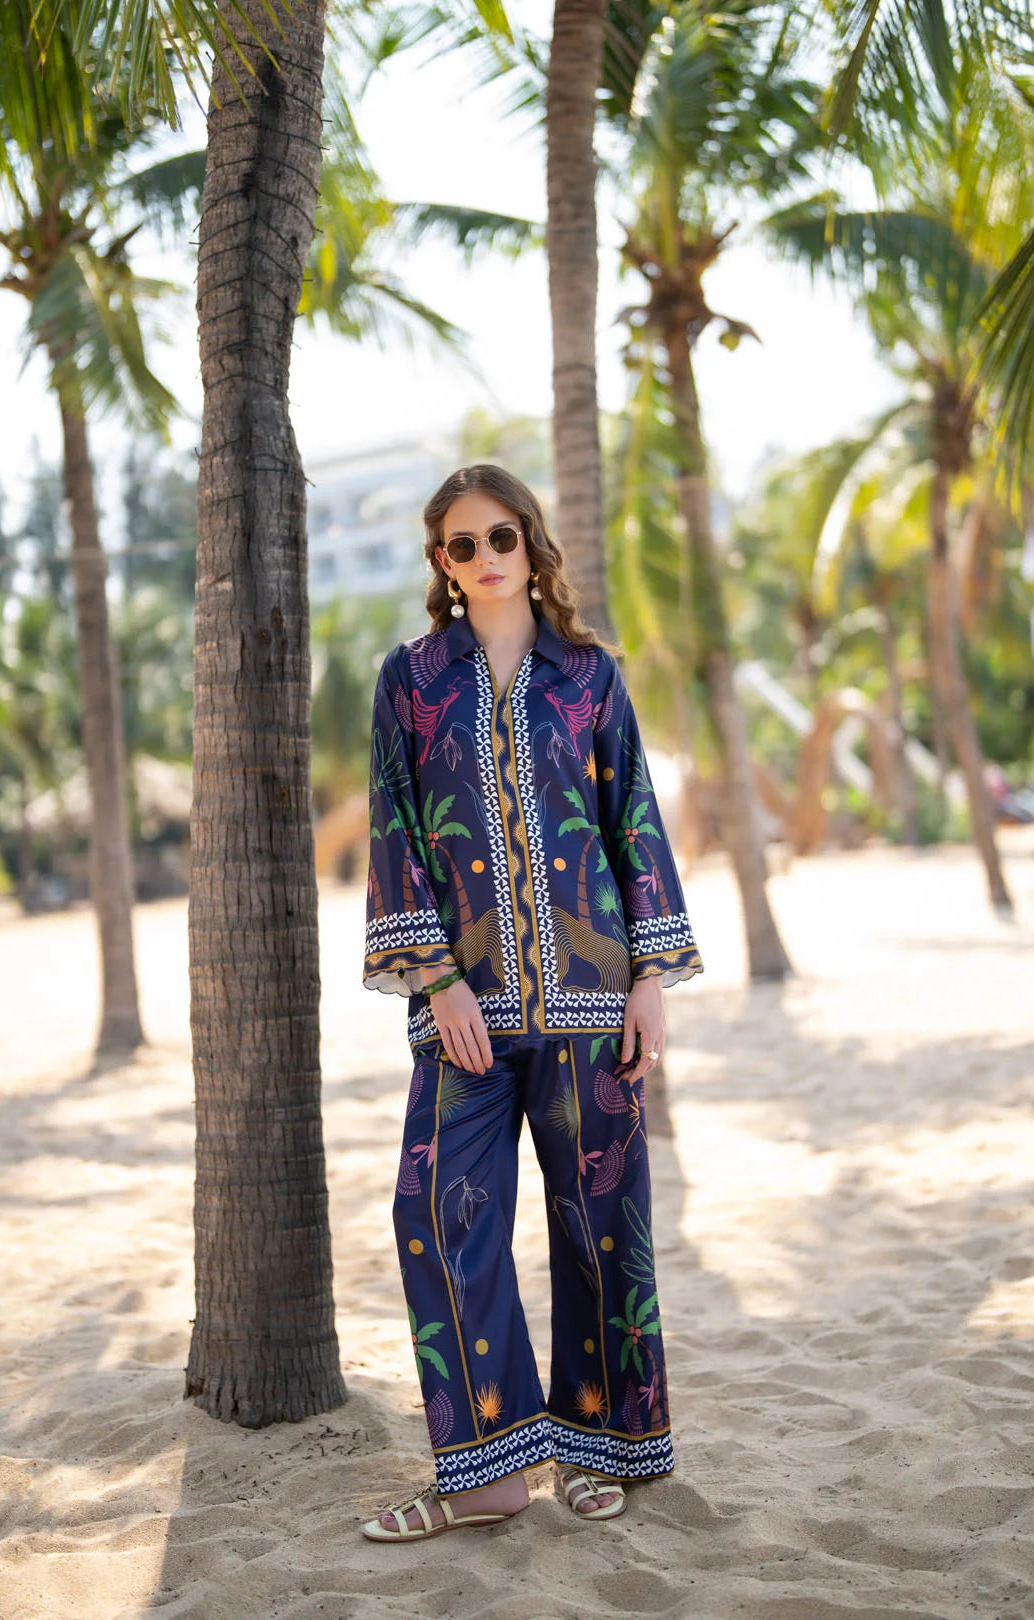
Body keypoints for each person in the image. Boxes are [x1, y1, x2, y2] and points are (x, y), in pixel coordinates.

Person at [360, 464, 704, 1541]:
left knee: (602, 1227)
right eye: (461, 546)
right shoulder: (410, 681)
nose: (484, 559)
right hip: (466, 1011)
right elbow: (396, 829)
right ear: (441, 565)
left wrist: (650, 977)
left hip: (594, 1003)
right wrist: (439, 979)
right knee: (436, 1212)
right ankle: (487, 1471)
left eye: (500, 537)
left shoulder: (589, 676)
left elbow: (632, 821)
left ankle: (600, 1449)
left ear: (530, 543)